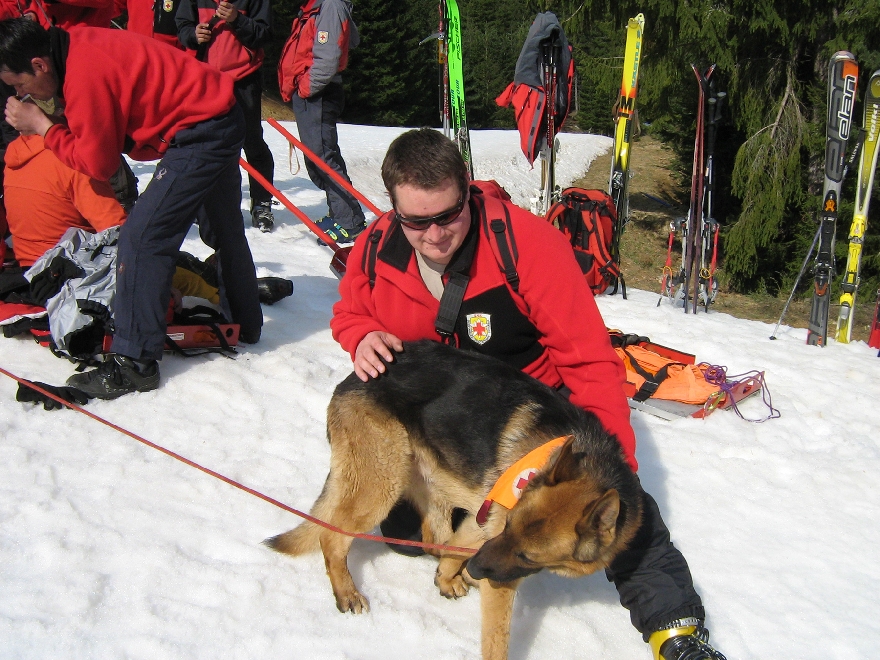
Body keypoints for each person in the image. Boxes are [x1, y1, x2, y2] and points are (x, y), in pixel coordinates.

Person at [330, 128, 727, 660]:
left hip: (532, 411)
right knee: (405, 536)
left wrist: (609, 468)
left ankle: (676, 633)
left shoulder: (528, 245)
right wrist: (360, 336)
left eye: (448, 215)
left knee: (621, 514)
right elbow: (349, 311)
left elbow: (589, 361)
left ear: (467, 191)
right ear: (395, 212)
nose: (434, 235)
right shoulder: (378, 246)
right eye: (416, 221)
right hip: (442, 411)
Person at [0, 17, 262, 399]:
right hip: (217, 112)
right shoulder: (76, 46)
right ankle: (245, 322)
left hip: (199, 130)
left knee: (142, 237)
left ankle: (134, 363)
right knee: (223, 228)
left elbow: (98, 164)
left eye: (19, 84)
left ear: (39, 64)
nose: (22, 95)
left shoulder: (83, 72)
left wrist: (44, 126)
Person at [177, 0, 276, 232]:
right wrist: (193, 35)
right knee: (203, 142)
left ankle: (262, 203)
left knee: (251, 141)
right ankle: (203, 203)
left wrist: (237, 20)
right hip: (204, 77)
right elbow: (181, 28)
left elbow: (265, 34)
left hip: (244, 78)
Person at [279, 0, 365, 244]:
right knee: (319, 157)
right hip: (313, 93)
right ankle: (339, 214)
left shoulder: (330, 5)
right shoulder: (317, 6)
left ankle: (350, 222)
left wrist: (306, 88)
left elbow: (328, 58)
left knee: (323, 158)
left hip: (318, 93)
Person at [3, 132, 125, 266]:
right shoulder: (72, 161)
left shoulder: (15, 156)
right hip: (68, 270)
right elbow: (116, 230)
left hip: (26, 264)